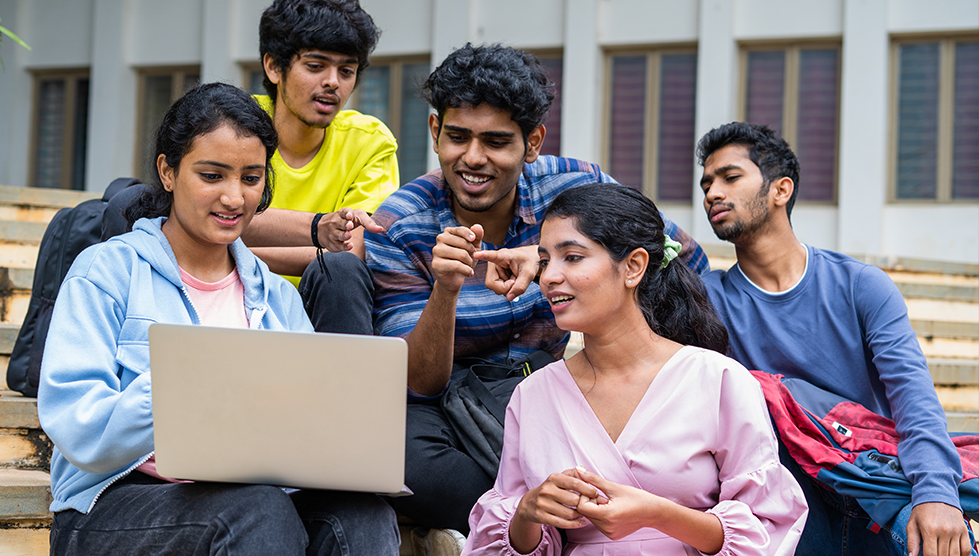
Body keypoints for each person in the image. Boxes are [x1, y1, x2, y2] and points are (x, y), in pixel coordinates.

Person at [37, 83, 400, 556]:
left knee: (362, 514)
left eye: (251, 178)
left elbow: (305, 432)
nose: (234, 197)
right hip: (111, 505)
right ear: (168, 172)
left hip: (251, 497)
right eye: (212, 176)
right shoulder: (106, 272)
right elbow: (79, 430)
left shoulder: (274, 296)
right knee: (256, 511)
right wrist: (182, 385)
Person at [365, 43, 709, 533]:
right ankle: (528, 526)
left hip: (559, 379)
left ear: (532, 143)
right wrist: (446, 290)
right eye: (458, 137)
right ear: (435, 131)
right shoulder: (401, 224)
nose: (473, 159)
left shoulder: (575, 187)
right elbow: (419, 383)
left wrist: (554, 255)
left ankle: (544, 517)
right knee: (405, 464)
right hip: (447, 401)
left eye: (497, 142)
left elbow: (676, 254)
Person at [461, 183, 808, 555]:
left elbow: (768, 529)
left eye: (573, 257)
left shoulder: (718, 380)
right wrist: (526, 514)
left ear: (633, 266)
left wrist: (658, 514)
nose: (548, 277)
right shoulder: (533, 395)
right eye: (545, 261)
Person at [697, 121, 975, 556]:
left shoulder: (860, 285)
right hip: (783, 501)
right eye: (707, 183)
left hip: (873, 481)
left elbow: (914, 399)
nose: (713, 192)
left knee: (943, 537)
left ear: (780, 190)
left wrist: (937, 493)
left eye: (730, 177)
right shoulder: (707, 300)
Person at [243, 0, 399, 334]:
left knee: (340, 271)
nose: (333, 82)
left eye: (347, 71)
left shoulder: (369, 142)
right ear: (273, 67)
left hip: (317, 309)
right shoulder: (234, 126)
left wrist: (230, 249)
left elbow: (349, 253)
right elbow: (191, 219)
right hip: (229, 293)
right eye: (315, 66)